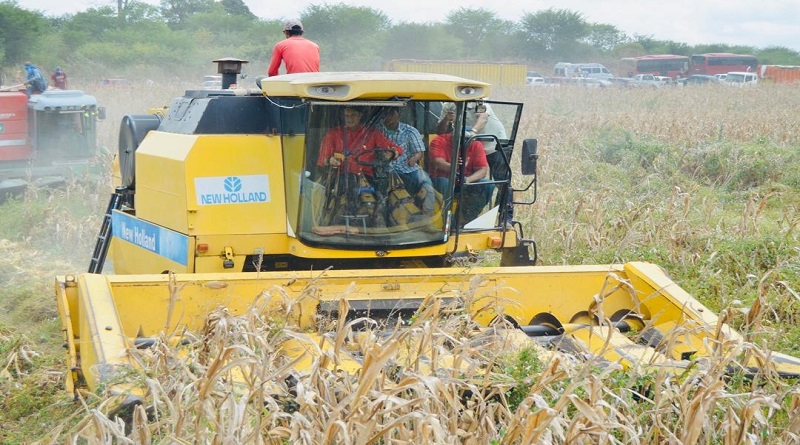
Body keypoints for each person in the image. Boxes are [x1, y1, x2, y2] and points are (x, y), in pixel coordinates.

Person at [429, 110, 493, 223]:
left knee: (488, 185)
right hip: (441, 180)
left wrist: (467, 179)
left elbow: (482, 170)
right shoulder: (439, 141)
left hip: (463, 181)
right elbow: (437, 162)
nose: (464, 144)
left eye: (467, 141)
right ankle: (447, 220)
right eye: (460, 140)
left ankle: (464, 220)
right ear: (453, 135)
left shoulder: (476, 145)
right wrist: (453, 166)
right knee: (445, 183)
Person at [378, 108, 435, 215]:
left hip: (407, 168)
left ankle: (428, 217)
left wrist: (414, 159)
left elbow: (419, 152)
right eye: (386, 114)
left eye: (391, 114)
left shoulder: (410, 131)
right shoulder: (377, 132)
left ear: (399, 114)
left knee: (427, 184)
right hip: (384, 171)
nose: (388, 118)